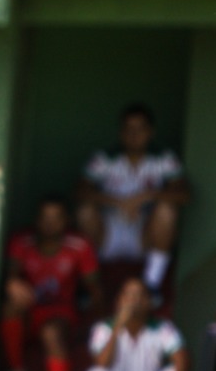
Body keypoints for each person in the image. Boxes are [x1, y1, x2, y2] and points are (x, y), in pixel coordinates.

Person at [0, 197, 102, 371]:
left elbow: (95, 290)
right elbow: (11, 275)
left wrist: (94, 324)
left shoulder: (78, 245)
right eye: (45, 217)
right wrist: (11, 283)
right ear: (36, 219)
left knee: (51, 333)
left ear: (67, 220)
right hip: (29, 309)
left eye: (56, 218)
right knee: (9, 306)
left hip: (61, 312)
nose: (50, 224)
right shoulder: (22, 241)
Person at [75, 103, 189, 300]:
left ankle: (151, 285)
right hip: (108, 234)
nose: (134, 135)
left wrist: (146, 196)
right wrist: (118, 202)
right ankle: (89, 285)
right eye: (128, 129)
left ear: (150, 132)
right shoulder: (105, 158)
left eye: (140, 129)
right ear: (121, 132)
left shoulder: (163, 158)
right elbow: (79, 191)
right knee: (85, 210)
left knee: (167, 210)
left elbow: (184, 194)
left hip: (143, 235)